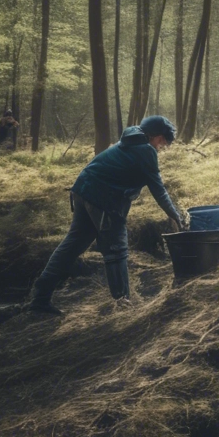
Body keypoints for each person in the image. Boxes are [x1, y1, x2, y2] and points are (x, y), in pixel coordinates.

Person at [27, 116, 188, 316]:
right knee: (116, 249)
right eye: (162, 141)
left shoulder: (130, 140)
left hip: (82, 190)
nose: (162, 146)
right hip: (104, 199)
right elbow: (159, 189)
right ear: (155, 136)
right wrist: (175, 215)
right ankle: (123, 306)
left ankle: (39, 299)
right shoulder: (146, 150)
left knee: (71, 245)